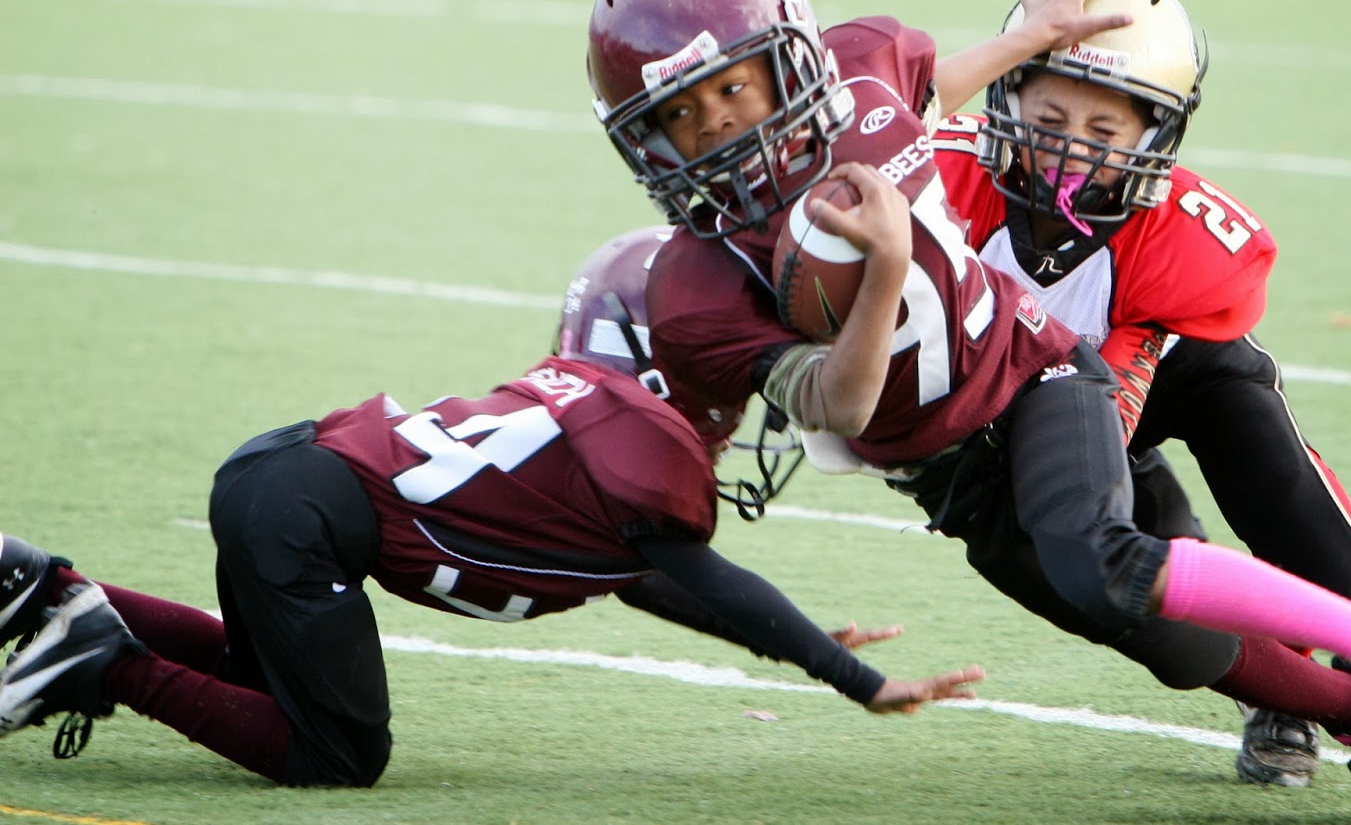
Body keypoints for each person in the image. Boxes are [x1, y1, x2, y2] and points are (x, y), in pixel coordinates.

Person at [585, 0, 1351, 824]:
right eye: (674, 115)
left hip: (1038, 370)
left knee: (1112, 551)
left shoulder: (862, 81)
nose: (711, 128)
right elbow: (841, 404)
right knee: (1172, 641)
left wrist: (1031, 34)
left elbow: (916, 94)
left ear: (788, 64)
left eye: (729, 89)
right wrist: (887, 270)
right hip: (951, 472)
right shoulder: (691, 289)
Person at [0, 227, 985, 786]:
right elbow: (700, 570)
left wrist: (796, 629)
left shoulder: (595, 424)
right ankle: (108, 657)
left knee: (259, 679)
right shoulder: (635, 440)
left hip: (285, 476)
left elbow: (649, 578)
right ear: (660, 358)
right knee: (334, 753)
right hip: (307, 512)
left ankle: (54, 589)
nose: (740, 385)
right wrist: (852, 674)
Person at [889, 0, 1351, 792]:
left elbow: (1121, 382)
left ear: (1155, 137)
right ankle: (1278, 684)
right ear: (1005, 94)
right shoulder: (944, 173)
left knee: (1328, 560)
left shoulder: (1175, 238)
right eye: (1048, 114)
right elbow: (871, 112)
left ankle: (1295, 673)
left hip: (1162, 366)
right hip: (1022, 399)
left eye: (1103, 131)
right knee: (1136, 589)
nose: (1068, 145)